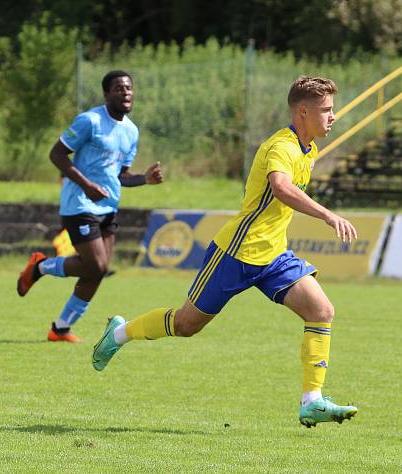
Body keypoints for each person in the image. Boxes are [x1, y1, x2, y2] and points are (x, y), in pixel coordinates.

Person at [90, 76, 360, 428]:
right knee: (186, 325)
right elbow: (280, 187)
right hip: (236, 252)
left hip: (273, 256)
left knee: (321, 310)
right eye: (326, 110)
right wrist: (326, 214)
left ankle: (312, 401)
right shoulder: (282, 147)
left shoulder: (309, 149)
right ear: (303, 112)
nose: (333, 116)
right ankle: (120, 333)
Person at [16, 70, 163, 343]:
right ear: (107, 94)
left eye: (129, 88)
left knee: (99, 269)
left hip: (108, 207)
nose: (126, 92)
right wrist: (85, 185)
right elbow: (56, 154)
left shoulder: (131, 131)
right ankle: (40, 267)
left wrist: (145, 179)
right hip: (79, 204)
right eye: (119, 88)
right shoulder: (90, 121)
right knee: (95, 264)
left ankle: (60, 328)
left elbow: (120, 175)